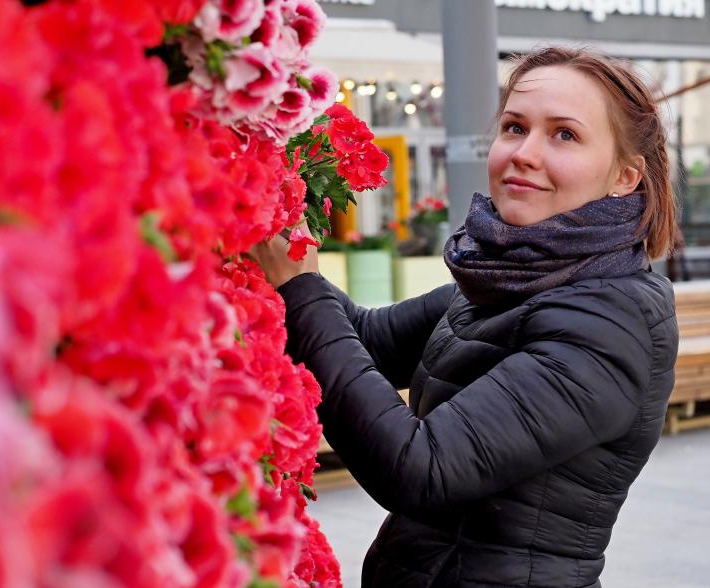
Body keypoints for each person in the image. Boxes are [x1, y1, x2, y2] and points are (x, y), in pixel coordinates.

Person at [250, 47, 679, 588]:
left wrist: (300, 287)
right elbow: (369, 342)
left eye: (564, 134)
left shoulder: (610, 324)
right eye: (514, 127)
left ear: (624, 176)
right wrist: (267, 257)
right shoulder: (507, 278)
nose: (525, 153)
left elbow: (420, 469)